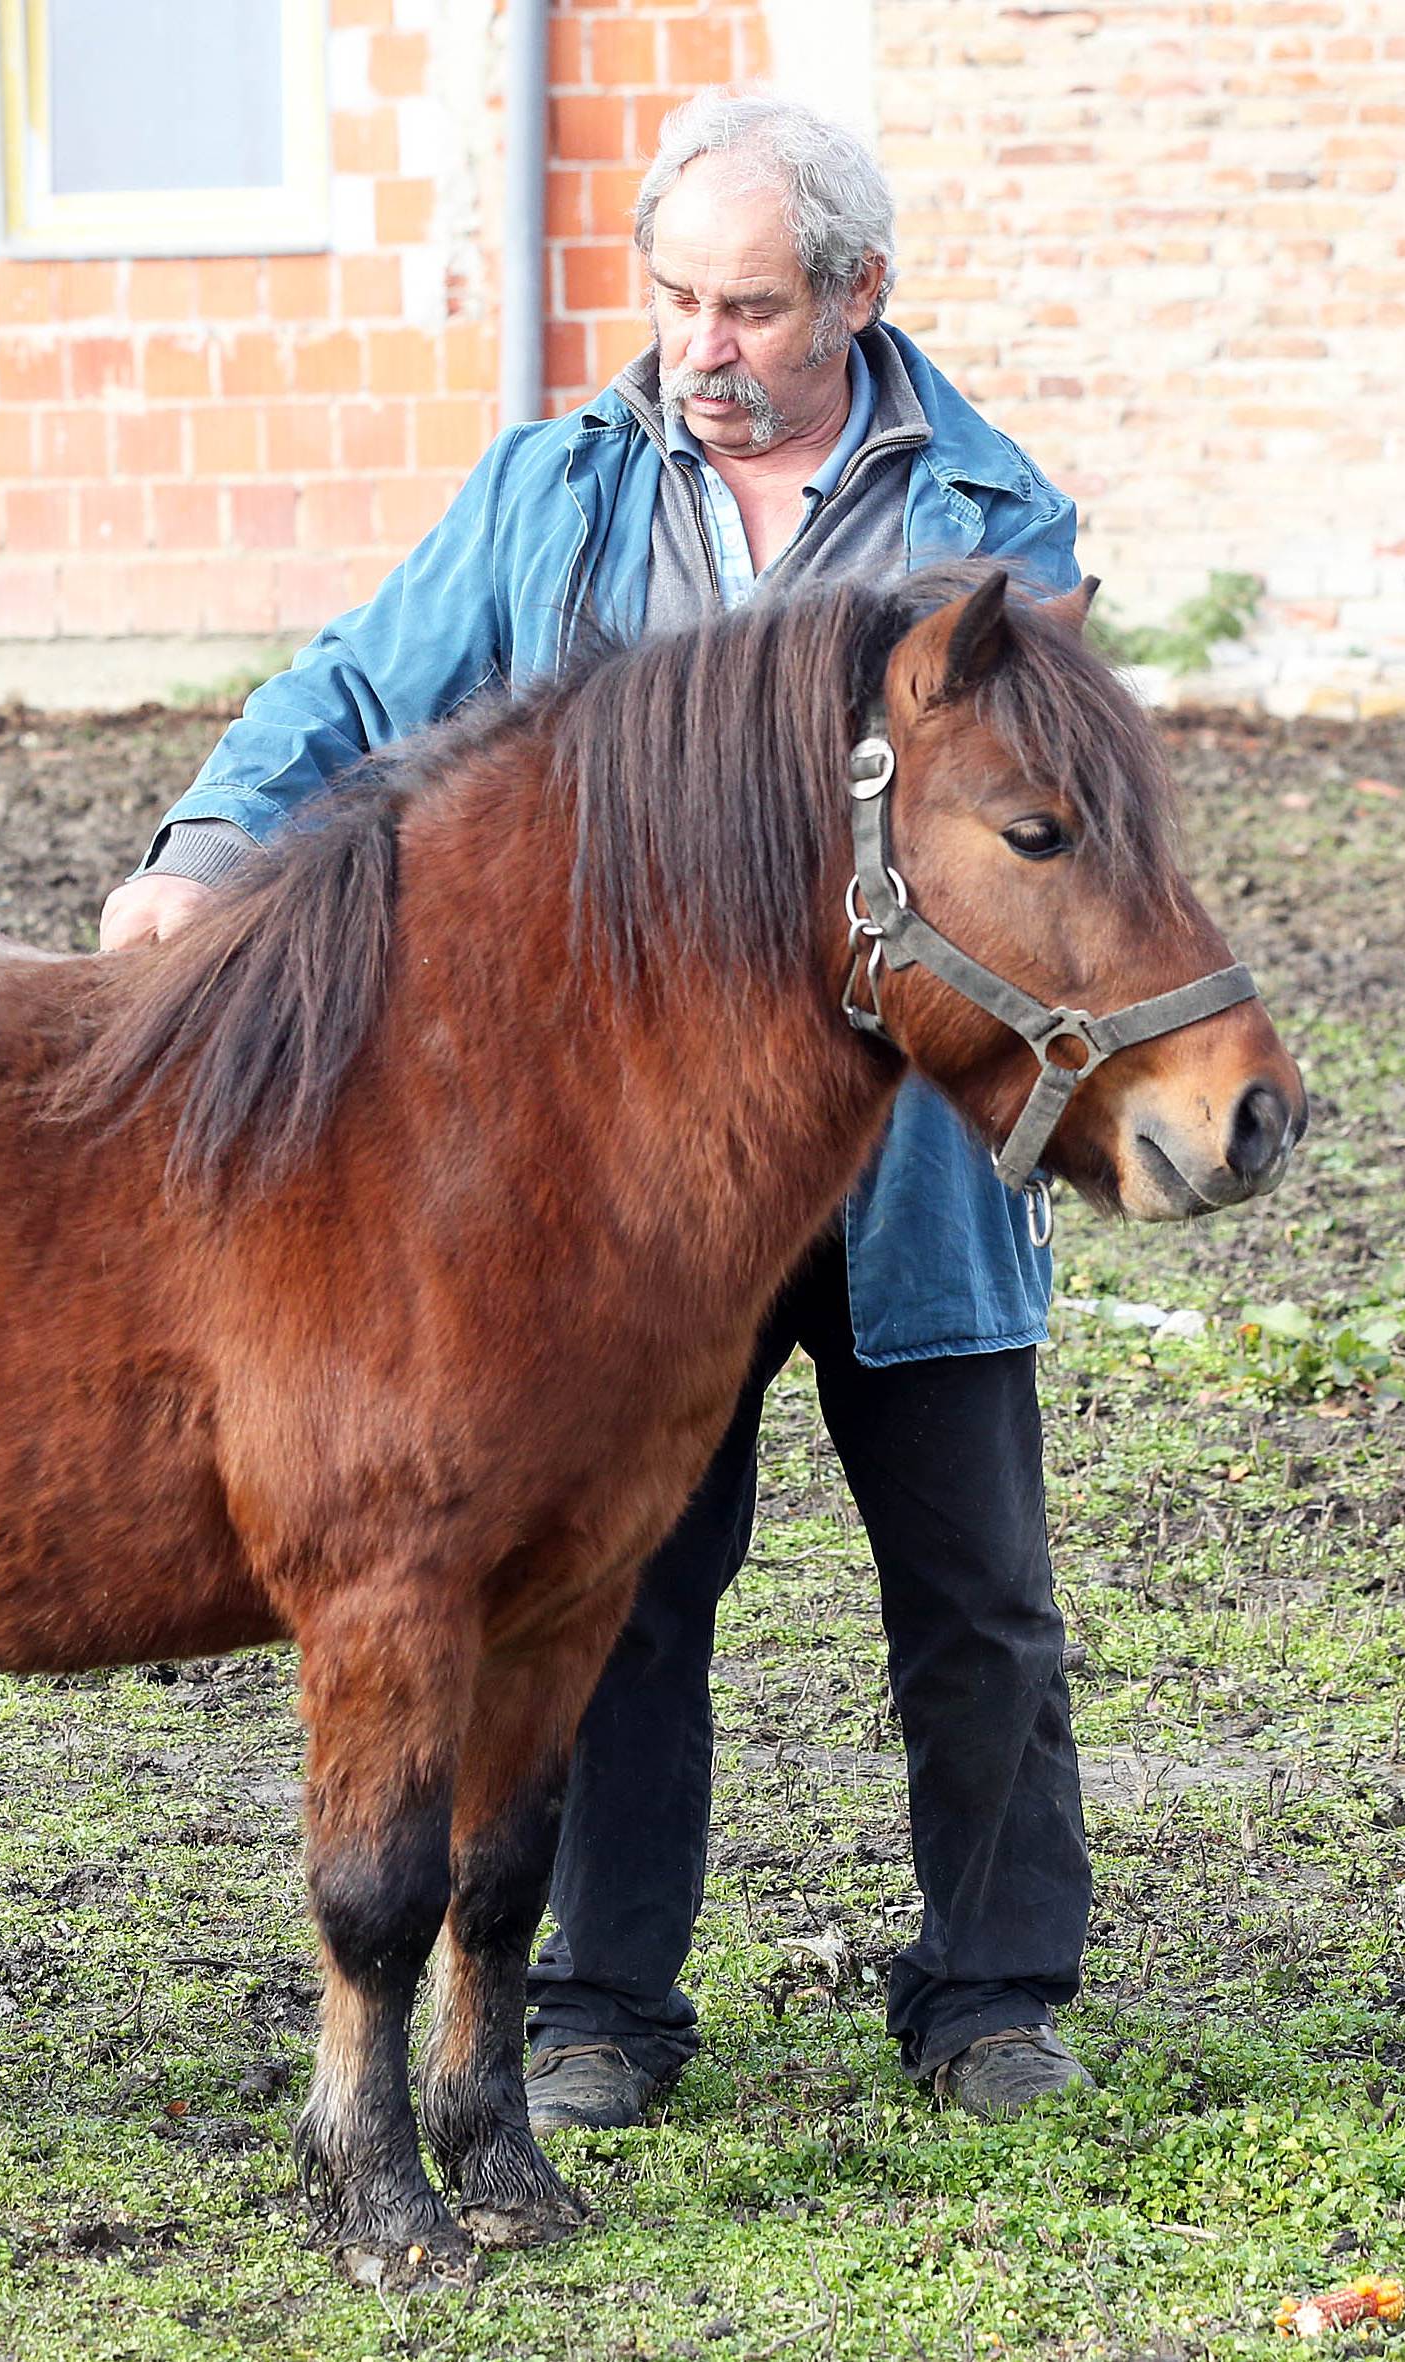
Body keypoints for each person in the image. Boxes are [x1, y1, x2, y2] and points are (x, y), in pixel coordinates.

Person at [101, 90, 1095, 2129]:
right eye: (673, 303)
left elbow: (1028, 833)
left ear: (858, 295)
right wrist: (207, 841)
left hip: (911, 1159)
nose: (699, 349)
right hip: (633, 1176)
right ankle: (599, 2005)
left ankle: (995, 1990)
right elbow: (360, 685)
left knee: (976, 1586)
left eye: (748, 308)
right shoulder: (562, 489)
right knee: (616, 1583)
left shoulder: (989, 520)